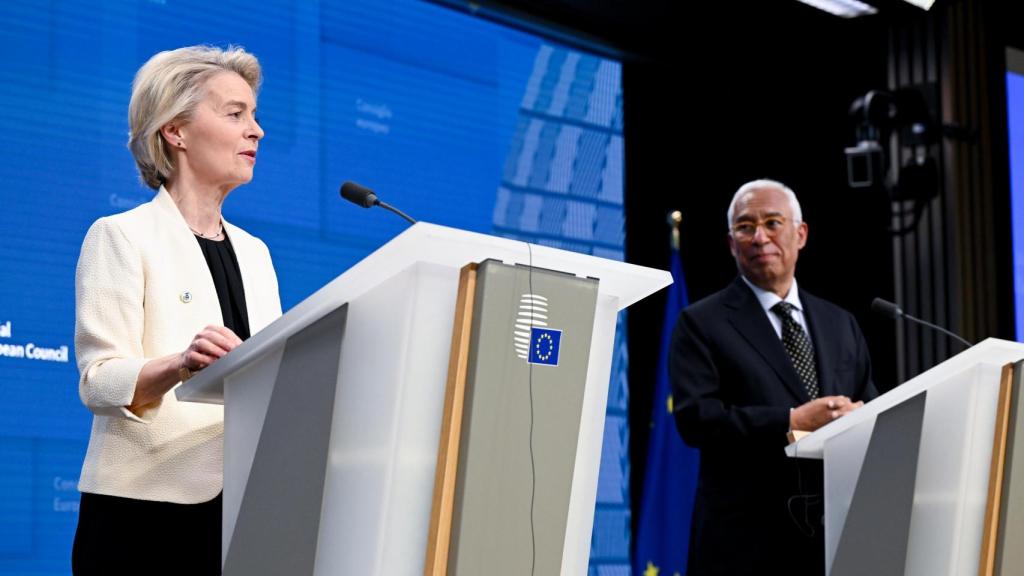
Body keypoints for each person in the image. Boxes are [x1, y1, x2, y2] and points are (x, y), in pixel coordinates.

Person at [71, 45, 281, 575]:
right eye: (236, 114)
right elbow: (98, 381)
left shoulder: (256, 254)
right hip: (142, 517)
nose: (256, 130)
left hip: (242, 513)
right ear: (176, 131)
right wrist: (179, 364)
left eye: (255, 116)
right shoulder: (121, 236)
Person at [669, 179, 877, 576]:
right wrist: (791, 421)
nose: (759, 236)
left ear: (800, 235)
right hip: (744, 544)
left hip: (835, 538)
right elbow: (697, 420)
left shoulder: (841, 323)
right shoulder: (701, 323)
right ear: (732, 244)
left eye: (772, 223)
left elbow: (869, 402)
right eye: (745, 227)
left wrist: (862, 414)